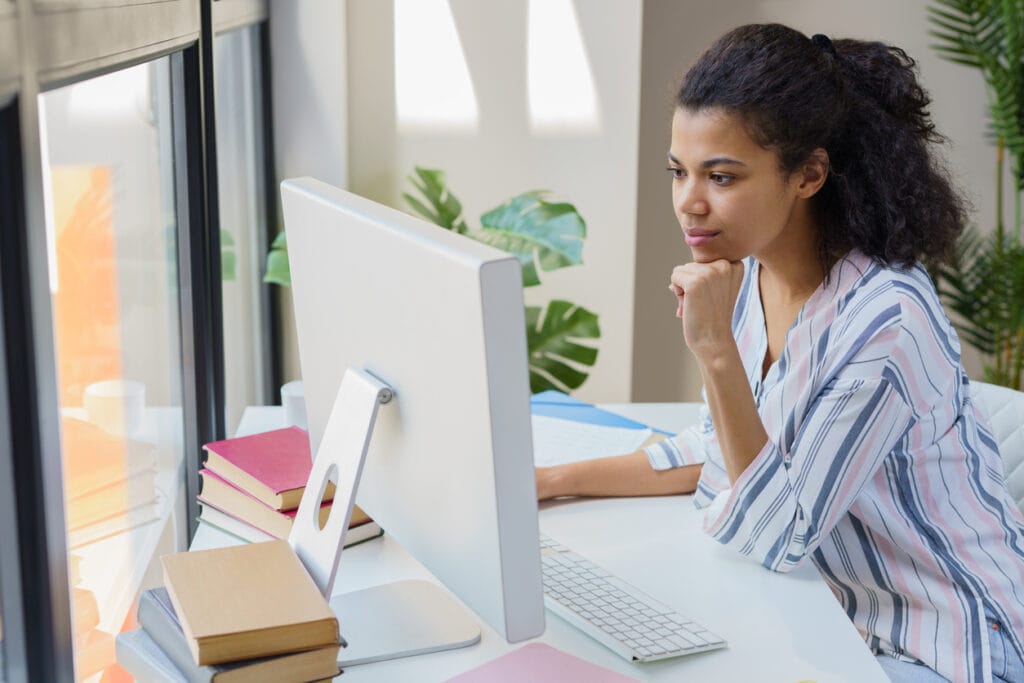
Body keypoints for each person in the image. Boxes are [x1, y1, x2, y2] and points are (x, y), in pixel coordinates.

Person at [535, 24, 1024, 683]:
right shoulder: (749, 274)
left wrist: (714, 354)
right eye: (679, 172)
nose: (689, 202)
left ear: (809, 174)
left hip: (948, 647)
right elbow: (718, 456)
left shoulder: (887, 322)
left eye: (722, 175)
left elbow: (777, 535)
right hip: (830, 622)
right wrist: (548, 484)